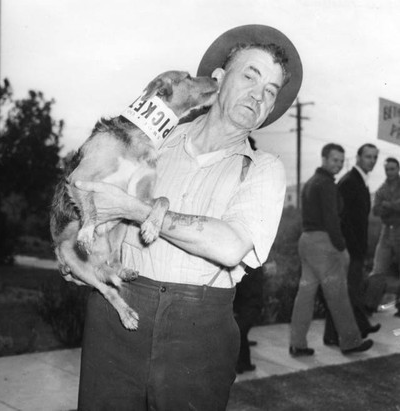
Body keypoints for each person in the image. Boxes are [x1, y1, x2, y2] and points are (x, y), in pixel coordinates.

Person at [73, 25, 303, 410]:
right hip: (115, 318)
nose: (258, 94)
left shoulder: (264, 169)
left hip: (199, 330)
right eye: (250, 75)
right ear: (217, 79)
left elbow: (231, 246)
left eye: (270, 91)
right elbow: (91, 188)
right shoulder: (153, 142)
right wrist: (78, 249)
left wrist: (138, 210)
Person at [289, 143, 373, 356]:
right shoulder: (326, 184)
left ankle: (297, 344)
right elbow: (331, 220)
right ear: (324, 159)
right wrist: (342, 247)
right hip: (324, 243)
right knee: (339, 296)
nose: (337, 165)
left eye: (340, 161)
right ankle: (351, 342)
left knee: (305, 296)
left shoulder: (310, 183)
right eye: (334, 160)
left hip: (306, 241)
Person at [323, 144, 381, 344]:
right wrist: (350, 248)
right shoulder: (350, 182)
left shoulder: (360, 181)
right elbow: (343, 219)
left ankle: (331, 336)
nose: (371, 161)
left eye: (374, 157)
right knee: (348, 291)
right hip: (349, 249)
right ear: (357, 157)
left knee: (345, 290)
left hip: (355, 247)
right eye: (367, 157)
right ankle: (360, 325)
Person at [233, 137, 264, 374]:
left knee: (244, 306)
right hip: (242, 254)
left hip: (244, 255)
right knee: (247, 306)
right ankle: (241, 358)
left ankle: (240, 354)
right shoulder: (252, 180)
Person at [364, 157, 400, 317]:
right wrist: (392, 206)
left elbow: (385, 206)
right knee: (378, 267)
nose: (390, 172)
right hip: (386, 230)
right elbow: (376, 210)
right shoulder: (381, 189)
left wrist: (389, 205)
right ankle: (370, 305)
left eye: (393, 168)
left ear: (398, 169)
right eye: (387, 169)